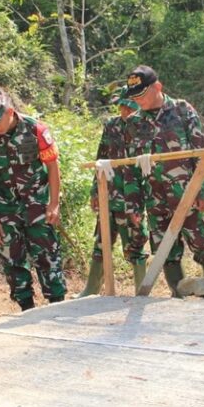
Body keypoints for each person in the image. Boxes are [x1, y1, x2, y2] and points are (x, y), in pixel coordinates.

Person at [123, 65, 204, 296]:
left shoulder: (182, 110)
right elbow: (131, 167)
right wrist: (133, 203)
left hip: (186, 193)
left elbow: (200, 152)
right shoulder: (134, 122)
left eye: (143, 95)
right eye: (135, 97)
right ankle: (179, 297)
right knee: (166, 250)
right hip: (154, 198)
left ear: (158, 87)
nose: (139, 101)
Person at [0, 89, 66, 310]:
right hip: (3, 209)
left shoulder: (36, 130)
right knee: (12, 261)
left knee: (48, 255)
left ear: (10, 111)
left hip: (38, 205)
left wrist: (54, 204)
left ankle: (57, 305)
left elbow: (52, 167)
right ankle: (26, 308)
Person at [77, 87, 149, 296]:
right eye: (122, 106)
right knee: (101, 243)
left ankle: (141, 290)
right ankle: (91, 289)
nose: (124, 110)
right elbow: (100, 159)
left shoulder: (145, 127)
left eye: (129, 106)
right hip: (108, 193)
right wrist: (94, 192)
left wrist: (139, 201)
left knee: (135, 244)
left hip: (131, 198)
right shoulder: (112, 126)